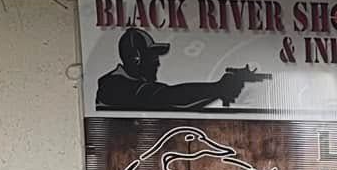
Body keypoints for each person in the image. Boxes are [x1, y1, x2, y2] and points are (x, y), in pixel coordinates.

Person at [95, 26, 266, 111]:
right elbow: (168, 98)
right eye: (152, 57)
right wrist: (218, 88)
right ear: (136, 58)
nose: (157, 63)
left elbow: (178, 103)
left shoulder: (126, 84)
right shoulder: (113, 86)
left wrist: (217, 91)